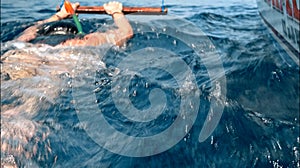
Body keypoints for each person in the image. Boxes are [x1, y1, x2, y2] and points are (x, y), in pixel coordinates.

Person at [17, 1, 133, 47]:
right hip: (59, 65)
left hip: (23, 57)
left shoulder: (29, 41)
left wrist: (59, 15)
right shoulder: (81, 42)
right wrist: (116, 11)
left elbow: (32, 29)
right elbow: (126, 33)